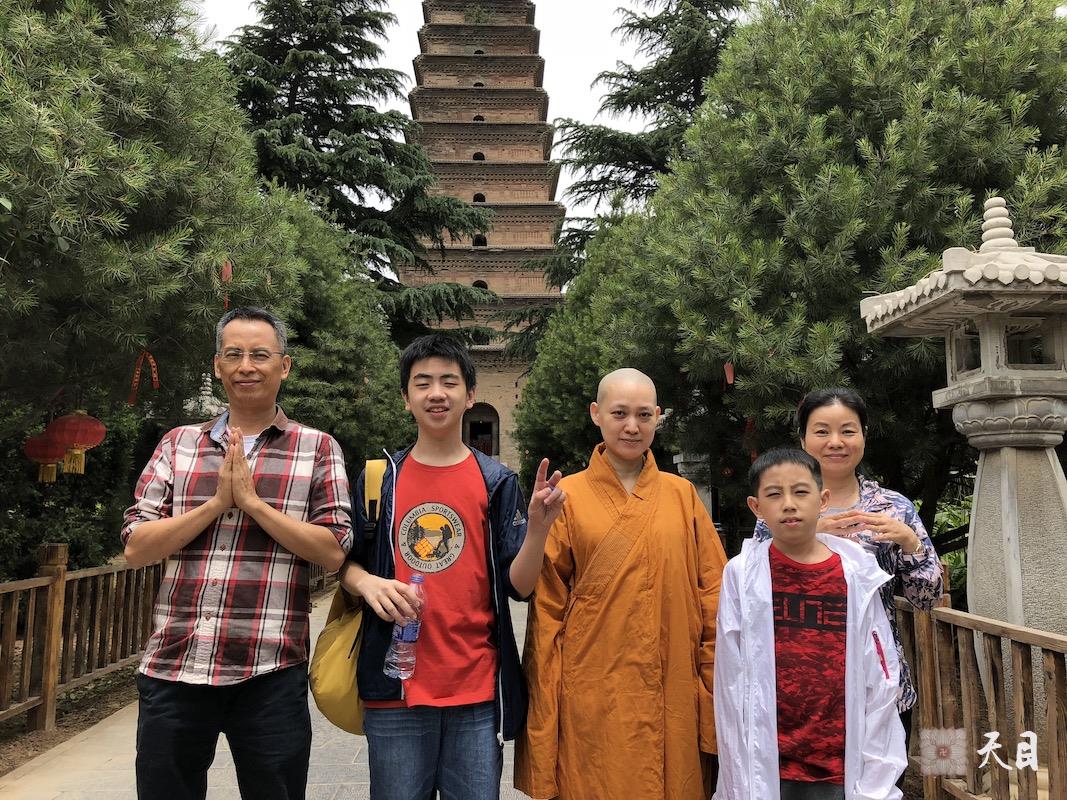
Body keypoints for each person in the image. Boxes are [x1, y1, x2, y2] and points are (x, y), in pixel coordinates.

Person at [121, 307, 353, 800]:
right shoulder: (178, 443)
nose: (247, 365)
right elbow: (137, 546)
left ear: (284, 366)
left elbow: (334, 549)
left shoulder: (316, 448)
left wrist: (250, 504)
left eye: (260, 355)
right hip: (175, 663)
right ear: (218, 365)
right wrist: (216, 504)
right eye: (235, 355)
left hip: (269, 669)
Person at [340, 333, 565, 800]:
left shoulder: (496, 481)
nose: (436, 393)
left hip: (477, 692)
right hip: (395, 687)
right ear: (406, 398)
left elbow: (518, 588)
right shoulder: (382, 479)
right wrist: (370, 583)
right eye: (423, 383)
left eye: (449, 381)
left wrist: (539, 528)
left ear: (470, 394)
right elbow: (345, 565)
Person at [515, 368, 728, 800]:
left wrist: (712, 688)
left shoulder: (683, 495)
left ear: (658, 418)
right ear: (596, 414)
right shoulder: (566, 497)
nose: (632, 426)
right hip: (594, 690)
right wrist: (545, 705)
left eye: (644, 415)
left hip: (673, 685)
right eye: (619, 413)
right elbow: (546, 615)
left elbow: (716, 598)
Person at [752, 388, 943, 757]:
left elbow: (927, 598)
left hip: (878, 680)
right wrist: (809, 532)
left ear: (864, 435)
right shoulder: (781, 507)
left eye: (848, 431)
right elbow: (755, 589)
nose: (835, 442)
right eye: (822, 431)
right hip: (796, 687)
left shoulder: (893, 507)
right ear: (803, 438)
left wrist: (910, 543)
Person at [715, 448, 906, 800]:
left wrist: (876, 781)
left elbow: (881, 678)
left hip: (839, 763)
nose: (789, 504)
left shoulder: (856, 574)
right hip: (767, 762)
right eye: (774, 494)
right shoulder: (742, 576)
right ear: (756, 507)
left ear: (823, 500)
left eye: (801, 492)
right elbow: (730, 681)